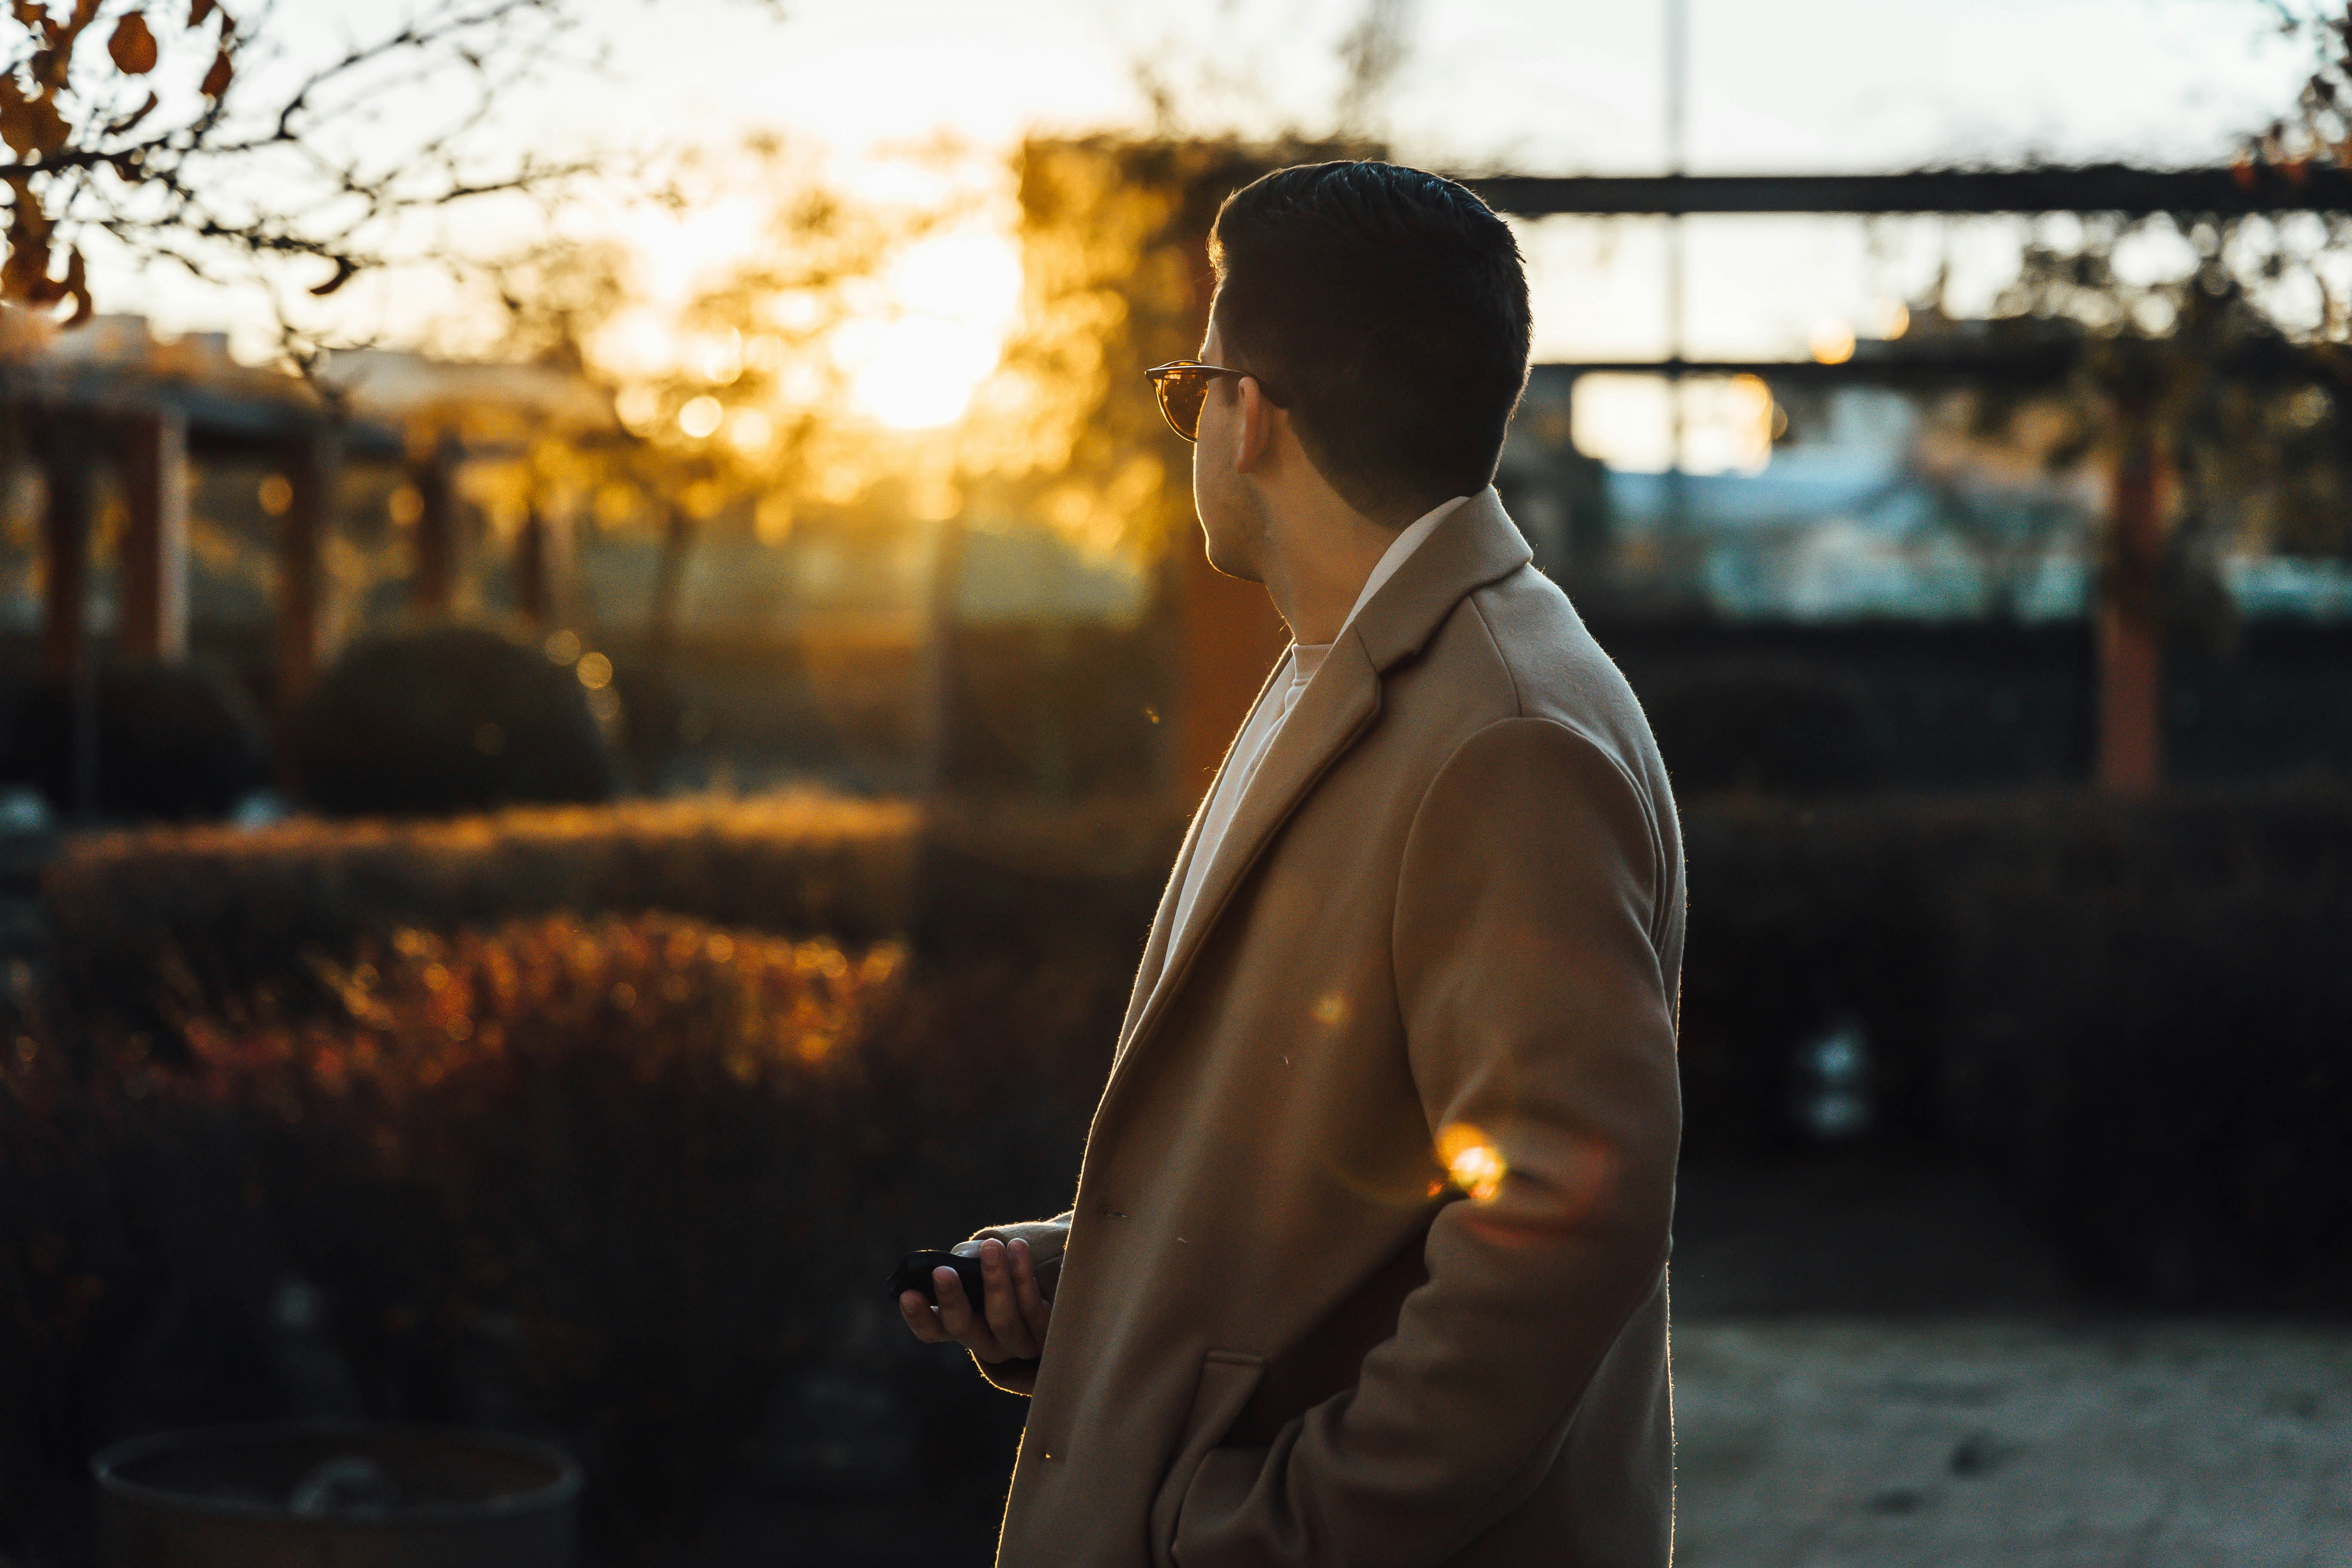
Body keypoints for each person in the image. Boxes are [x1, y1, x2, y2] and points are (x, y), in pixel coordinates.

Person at [898, 159, 1684, 1568]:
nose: (1189, 420)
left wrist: (1277, 1531)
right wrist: (1104, 1274)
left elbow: (1565, 1223)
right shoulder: (1359, 663)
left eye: (1190, 385)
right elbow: (1357, 1152)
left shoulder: (1502, 733)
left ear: (1249, 416)